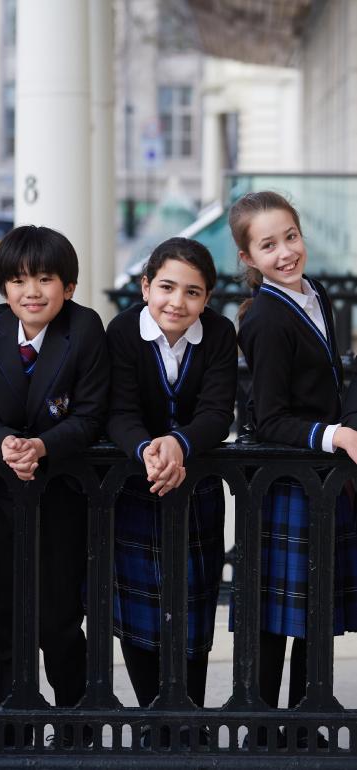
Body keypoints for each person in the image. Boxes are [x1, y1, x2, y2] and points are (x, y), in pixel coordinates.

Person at [0, 225, 109, 729]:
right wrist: (4, 443)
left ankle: (75, 716)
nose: (33, 292)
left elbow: (90, 416)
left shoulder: (84, 329)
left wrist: (42, 446)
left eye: (46, 279)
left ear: (68, 286)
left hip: (62, 489)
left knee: (59, 614)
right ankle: (9, 714)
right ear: (4, 286)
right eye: (19, 280)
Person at [230, 190, 357, 744]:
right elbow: (267, 417)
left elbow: (334, 377)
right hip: (287, 478)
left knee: (316, 611)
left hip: (325, 478)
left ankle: (306, 724)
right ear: (249, 258)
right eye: (268, 245)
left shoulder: (317, 294)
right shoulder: (263, 319)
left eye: (290, 237)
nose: (285, 252)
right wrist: (334, 433)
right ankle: (261, 729)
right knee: (275, 616)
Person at [106, 237, 237, 724]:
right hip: (134, 486)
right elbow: (117, 412)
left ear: (207, 298)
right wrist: (148, 450)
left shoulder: (220, 334)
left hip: (196, 487)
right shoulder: (121, 332)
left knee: (193, 605)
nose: (177, 302)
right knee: (139, 612)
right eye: (166, 287)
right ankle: (152, 721)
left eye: (193, 292)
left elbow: (217, 411)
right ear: (145, 286)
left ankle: (190, 720)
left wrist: (179, 445)